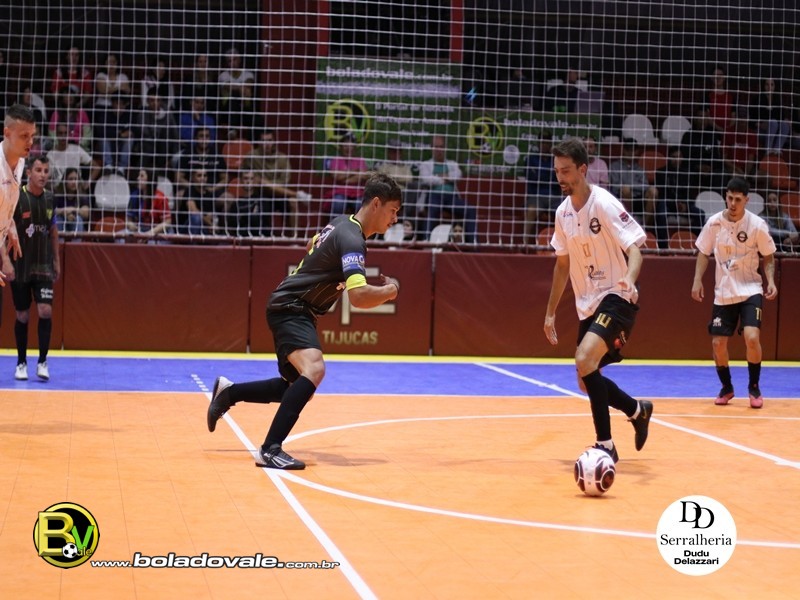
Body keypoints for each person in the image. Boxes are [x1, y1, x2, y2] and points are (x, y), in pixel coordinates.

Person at [207, 172, 403, 469]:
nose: (395, 219)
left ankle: (229, 393)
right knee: (314, 368)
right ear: (376, 204)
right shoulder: (352, 238)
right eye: (393, 210)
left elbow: (316, 252)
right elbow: (359, 296)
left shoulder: (342, 224)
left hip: (295, 307)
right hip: (292, 306)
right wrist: (391, 291)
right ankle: (270, 449)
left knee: (297, 387)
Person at [543, 137, 652, 464]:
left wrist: (629, 278)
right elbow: (562, 265)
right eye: (557, 171)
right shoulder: (563, 213)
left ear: (583, 169)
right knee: (584, 377)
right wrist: (550, 313)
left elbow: (635, 249)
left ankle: (605, 445)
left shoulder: (603, 203)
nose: (560, 177)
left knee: (584, 357)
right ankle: (637, 410)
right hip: (588, 305)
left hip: (617, 296)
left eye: (566, 171)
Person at [691, 177, 777, 409]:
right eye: (730, 198)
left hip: (751, 289)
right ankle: (727, 387)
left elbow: (768, 256)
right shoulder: (714, 223)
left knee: (752, 337)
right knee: (718, 343)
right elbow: (703, 252)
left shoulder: (757, 225)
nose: (732, 203)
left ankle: (754, 387)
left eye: (738, 199)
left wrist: (770, 280)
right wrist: (697, 280)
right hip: (724, 291)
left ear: (746, 200)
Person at [0, 155, 59, 381]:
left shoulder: (50, 199)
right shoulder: (17, 197)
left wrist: (57, 260)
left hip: (43, 264)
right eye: (38, 170)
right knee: (22, 315)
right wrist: (6, 260)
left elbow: (53, 232)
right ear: (28, 173)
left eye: (46, 171)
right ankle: (21, 362)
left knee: (45, 310)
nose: (43, 175)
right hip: (21, 264)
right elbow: (2, 228)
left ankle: (43, 361)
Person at [240, 129, 304, 236]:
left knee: (293, 201)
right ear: (259, 142)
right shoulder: (251, 157)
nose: (267, 144)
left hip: (279, 194)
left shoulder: (282, 158)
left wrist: (265, 183)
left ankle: (295, 237)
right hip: (260, 194)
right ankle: (265, 236)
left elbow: (285, 182)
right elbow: (245, 176)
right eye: (263, 141)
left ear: (274, 141)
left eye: (269, 140)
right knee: (261, 203)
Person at [419, 134, 477, 243]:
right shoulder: (426, 164)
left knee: (470, 209)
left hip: (451, 198)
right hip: (434, 196)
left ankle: (472, 243)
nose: (439, 150)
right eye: (436, 146)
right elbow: (426, 179)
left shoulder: (452, 164)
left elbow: (458, 175)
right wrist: (446, 177)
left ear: (445, 148)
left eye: (441, 146)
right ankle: (425, 241)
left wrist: (438, 177)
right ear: (432, 148)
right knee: (432, 209)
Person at [1, 104, 35, 281]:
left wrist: (10, 224)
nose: (30, 142)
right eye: (24, 136)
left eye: (32, 136)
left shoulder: (20, 161)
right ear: (7, 133)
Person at [609, 140, 658, 228]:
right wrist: (631, 187)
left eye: (633, 150)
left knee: (653, 191)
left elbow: (645, 186)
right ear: (623, 150)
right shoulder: (614, 166)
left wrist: (631, 186)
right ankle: (629, 224)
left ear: (637, 152)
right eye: (628, 150)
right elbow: (615, 188)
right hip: (621, 198)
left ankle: (644, 227)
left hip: (639, 198)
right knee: (626, 189)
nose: (630, 153)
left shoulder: (639, 168)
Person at [523, 134, 560, 241]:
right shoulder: (531, 159)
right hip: (536, 196)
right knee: (531, 210)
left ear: (551, 145)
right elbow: (532, 178)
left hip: (554, 196)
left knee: (566, 212)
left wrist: (540, 174)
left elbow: (558, 179)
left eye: (547, 143)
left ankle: (565, 245)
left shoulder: (556, 160)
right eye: (542, 143)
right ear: (538, 144)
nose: (544, 145)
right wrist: (549, 175)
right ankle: (525, 244)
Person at [328, 132, 370, 219]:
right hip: (340, 192)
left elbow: (364, 176)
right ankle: (334, 226)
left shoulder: (360, 160)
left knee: (361, 205)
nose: (348, 149)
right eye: (345, 146)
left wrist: (345, 178)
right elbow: (337, 177)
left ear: (354, 147)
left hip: (358, 192)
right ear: (341, 147)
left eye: (351, 146)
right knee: (338, 203)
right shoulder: (336, 160)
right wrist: (355, 171)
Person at [750, 77, 791, 156]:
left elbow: (781, 117)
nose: (769, 87)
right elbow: (751, 119)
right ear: (763, 86)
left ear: (774, 87)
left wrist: (785, 120)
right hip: (760, 130)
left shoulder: (777, 99)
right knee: (773, 122)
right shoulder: (757, 99)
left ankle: (776, 150)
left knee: (785, 125)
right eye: (767, 84)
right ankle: (768, 150)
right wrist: (760, 125)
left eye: (772, 85)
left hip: (774, 129)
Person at [126, 167, 172, 237]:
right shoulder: (134, 196)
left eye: (142, 176)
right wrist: (130, 225)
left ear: (150, 179)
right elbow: (128, 219)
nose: (138, 178)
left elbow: (167, 222)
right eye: (138, 176)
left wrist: (151, 233)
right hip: (140, 230)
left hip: (158, 232)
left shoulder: (160, 197)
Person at [54, 168, 91, 233]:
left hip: (77, 224)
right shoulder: (58, 194)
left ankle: (76, 240)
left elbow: (86, 213)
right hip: (61, 222)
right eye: (70, 179)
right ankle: (59, 239)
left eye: (76, 179)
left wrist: (72, 210)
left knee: (78, 219)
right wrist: (64, 212)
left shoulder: (82, 196)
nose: (74, 182)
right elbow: (51, 211)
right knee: (58, 219)